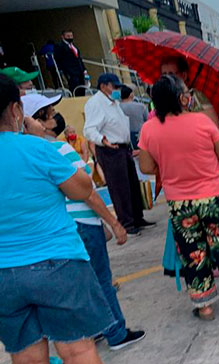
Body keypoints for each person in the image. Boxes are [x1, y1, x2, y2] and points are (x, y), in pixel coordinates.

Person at [0, 74, 113, 364]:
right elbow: (82, 189)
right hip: (58, 263)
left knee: (26, 356)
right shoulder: (37, 148)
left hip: (4, 274)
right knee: (78, 351)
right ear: (16, 110)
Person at [22, 93, 146, 352]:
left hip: (61, 227)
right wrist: (113, 222)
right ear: (37, 121)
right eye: (49, 114)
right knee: (101, 280)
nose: (55, 117)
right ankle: (116, 332)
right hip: (83, 223)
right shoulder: (59, 150)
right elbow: (87, 192)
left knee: (80, 283)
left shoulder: (27, 155)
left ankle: (94, 329)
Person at [138, 74, 219, 320]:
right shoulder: (202, 121)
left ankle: (205, 306)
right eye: (186, 92)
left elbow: (146, 167)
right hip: (212, 197)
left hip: (179, 202)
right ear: (181, 98)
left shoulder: (148, 129)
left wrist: (171, 164)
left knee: (192, 253)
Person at [84, 73, 154, 235]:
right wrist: (102, 140)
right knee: (119, 187)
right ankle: (127, 222)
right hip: (110, 149)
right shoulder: (95, 103)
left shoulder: (114, 103)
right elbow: (89, 129)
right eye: (114, 87)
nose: (117, 90)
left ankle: (137, 217)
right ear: (103, 86)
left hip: (123, 147)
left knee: (132, 184)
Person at [160, 55, 219, 123]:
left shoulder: (197, 97)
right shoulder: (161, 98)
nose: (167, 78)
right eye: (164, 75)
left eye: (171, 74)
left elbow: (213, 121)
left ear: (184, 75)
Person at [53, 30, 88, 95]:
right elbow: (58, 59)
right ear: (63, 37)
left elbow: (79, 58)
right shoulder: (59, 46)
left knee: (82, 88)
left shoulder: (74, 46)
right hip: (70, 71)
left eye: (71, 36)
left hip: (79, 71)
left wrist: (84, 69)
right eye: (68, 36)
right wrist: (62, 71)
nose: (70, 37)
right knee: (74, 88)